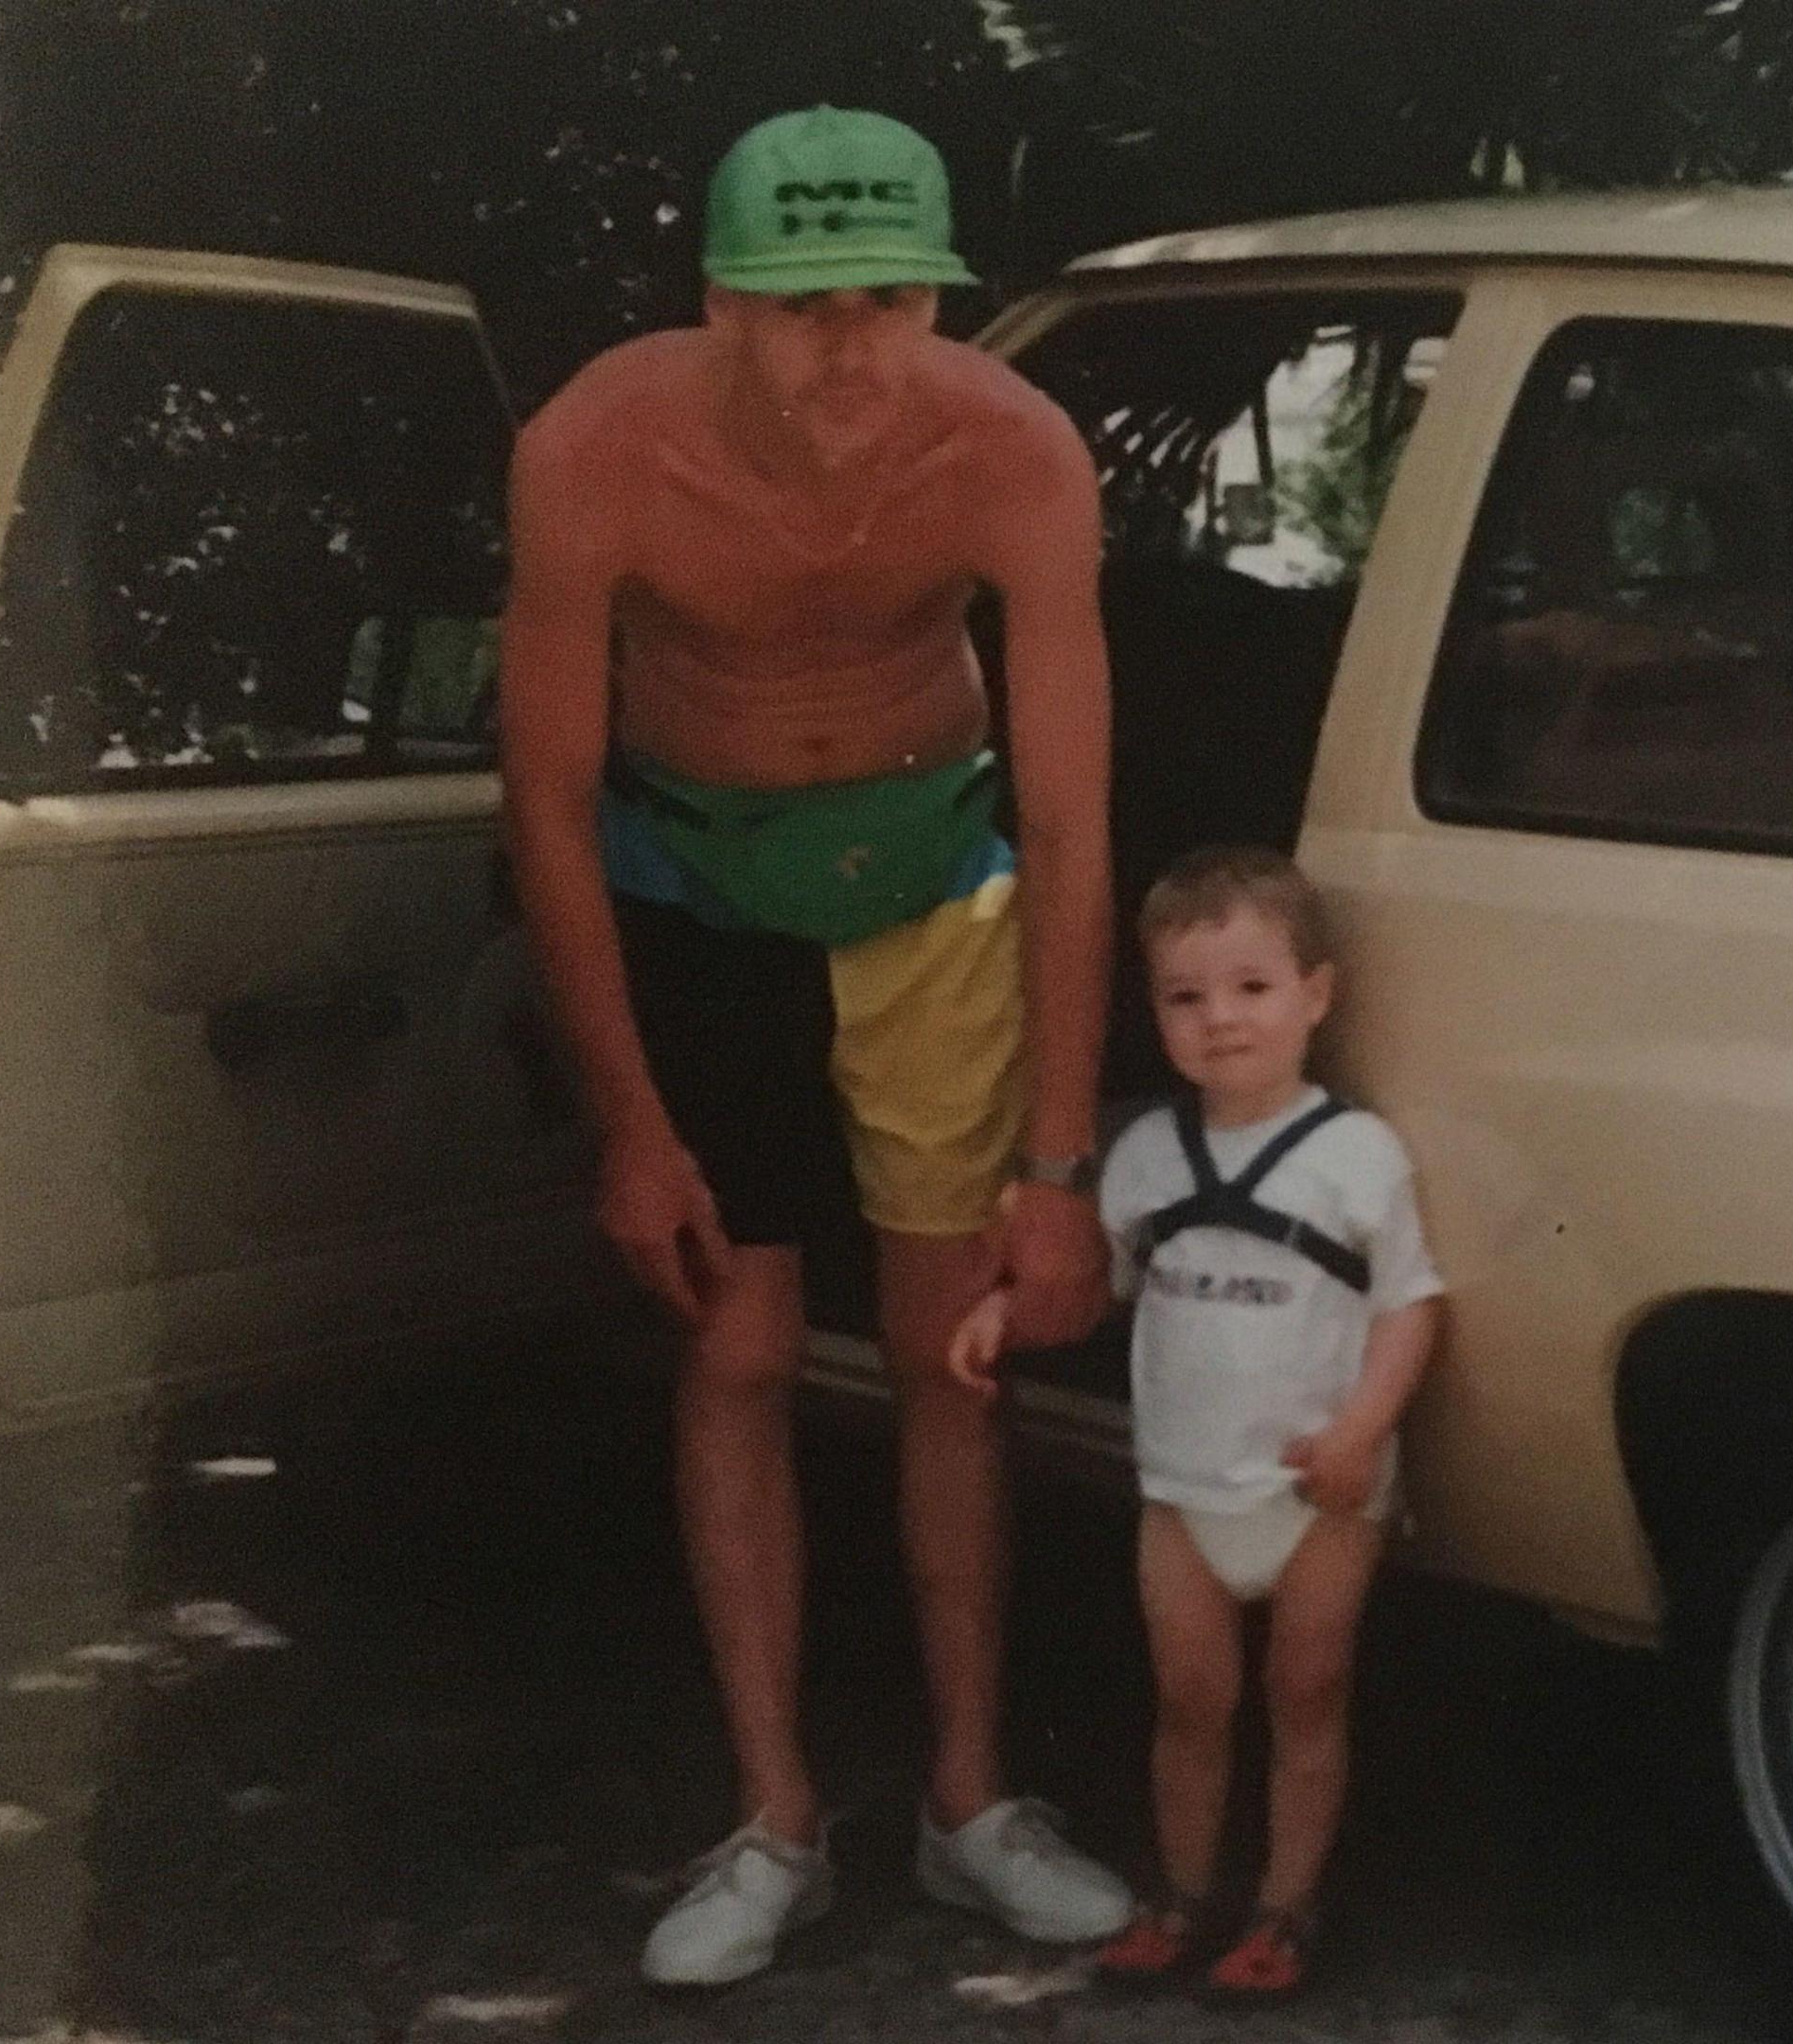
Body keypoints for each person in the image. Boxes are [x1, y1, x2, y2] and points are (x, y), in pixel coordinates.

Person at [499, 105, 1132, 1986]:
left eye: (891, 298)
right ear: (720, 303)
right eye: (804, 305)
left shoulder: (1011, 451)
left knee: (957, 1353)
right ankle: (774, 1818)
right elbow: (542, 797)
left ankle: (969, 1807)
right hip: (693, 894)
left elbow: (1078, 819)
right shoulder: (599, 449)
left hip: (934, 892)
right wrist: (630, 1125)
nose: (854, 348)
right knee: (744, 1343)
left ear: (939, 296)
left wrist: (1063, 1168)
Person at [949, 846, 1444, 2000]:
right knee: (1190, 1700)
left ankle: (1285, 1908)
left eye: (1253, 989)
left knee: (1307, 1696)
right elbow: (1096, 1283)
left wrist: (1362, 1432)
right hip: (1181, 1489)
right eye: (1187, 995)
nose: (1221, 1020)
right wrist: (1006, 1310)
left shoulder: (1353, 1157)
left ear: (1315, 996)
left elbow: (1410, 1307)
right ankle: (1181, 1893)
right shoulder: (1145, 1158)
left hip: (1320, 1488)